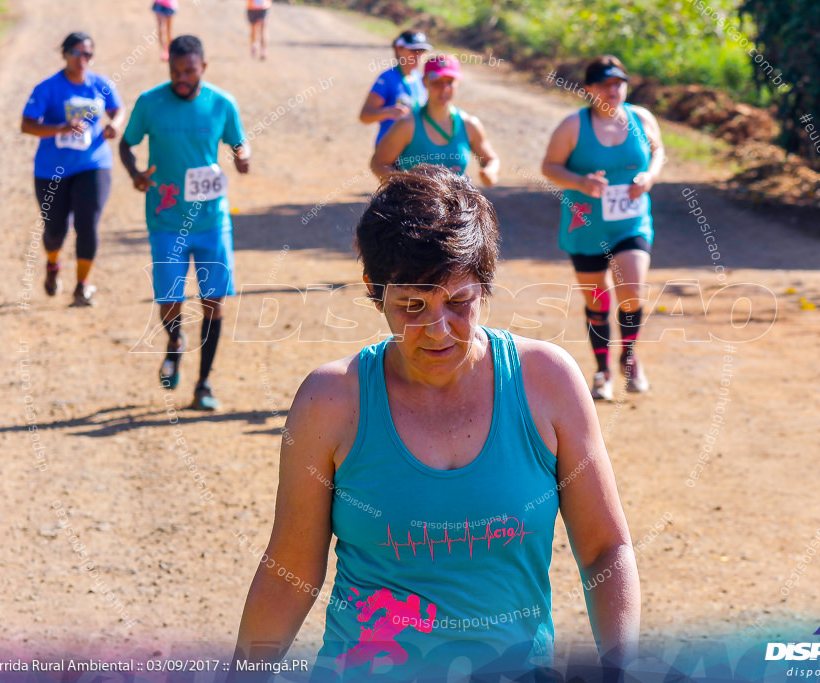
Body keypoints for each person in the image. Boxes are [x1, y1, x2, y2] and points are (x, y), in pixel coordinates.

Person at [234, 165, 639, 680]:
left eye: (459, 302)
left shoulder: (547, 382)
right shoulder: (331, 401)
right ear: (372, 289)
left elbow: (606, 547)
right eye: (411, 305)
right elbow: (290, 571)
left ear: (486, 287)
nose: (437, 329)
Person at [119, 35, 250, 411]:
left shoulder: (222, 103)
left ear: (203, 68)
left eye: (189, 71)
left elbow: (239, 141)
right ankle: (174, 342)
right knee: (170, 298)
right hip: (166, 220)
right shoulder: (150, 102)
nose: (181, 78)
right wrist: (136, 174)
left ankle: (203, 384)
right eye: (175, 71)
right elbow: (126, 143)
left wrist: (242, 156)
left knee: (214, 301)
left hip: (212, 219)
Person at [541, 55, 665, 399]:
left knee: (631, 291)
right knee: (597, 300)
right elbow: (550, 166)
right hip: (586, 226)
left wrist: (649, 177)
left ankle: (629, 357)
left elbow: (658, 150)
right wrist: (580, 182)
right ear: (589, 89)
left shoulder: (641, 118)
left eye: (619, 83)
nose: (614, 90)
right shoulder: (573, 126)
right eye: (606, 84)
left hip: (631, 223)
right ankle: (602, 371)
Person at [21, 31, 124, 307]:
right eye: (76, 53)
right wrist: (59, 128)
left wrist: (115, 124)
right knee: (55, 232)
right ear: (64, 54)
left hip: (93, 164)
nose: (82, 59)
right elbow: (27, 124)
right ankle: (53, 264)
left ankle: (82, 286)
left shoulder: (100, 84)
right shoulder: (48, 88)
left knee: (87, 225)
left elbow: (117, 108)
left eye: (87, 53)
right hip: (51, 170)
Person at [371, 54, 499, 185]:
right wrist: (403, 188)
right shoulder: (407, 125)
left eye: (450, 82)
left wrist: (490, 172)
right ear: (424, 82)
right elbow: (379, 163)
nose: (444, 89)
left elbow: (490, 159)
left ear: (458, 83)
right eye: (437, 82)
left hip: (455, 204)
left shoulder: (469, 125)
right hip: (415, 204)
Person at [358, 30, 431, 146]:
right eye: (413, 51)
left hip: (414, 148)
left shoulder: (420, 79)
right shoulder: (386, 79)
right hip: (389, 148)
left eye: (422, 51)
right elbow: (365, 116)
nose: (418, 56)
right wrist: (388, 112)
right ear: (399, 49)